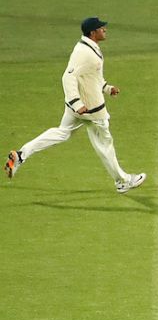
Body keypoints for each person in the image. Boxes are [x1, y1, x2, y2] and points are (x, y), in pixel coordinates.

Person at [5, 18, 146, 194]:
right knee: (105, 143)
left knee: (62, 133)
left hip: (79, 108)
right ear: (92, 33)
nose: (104, 30)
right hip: (91, 110)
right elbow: (68, 77)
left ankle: (20, 155)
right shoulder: (84, 52)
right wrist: (77, 103)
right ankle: (123, 181)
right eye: (101, 28)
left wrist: (107, 88)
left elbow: (90, 76)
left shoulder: (87, 47)